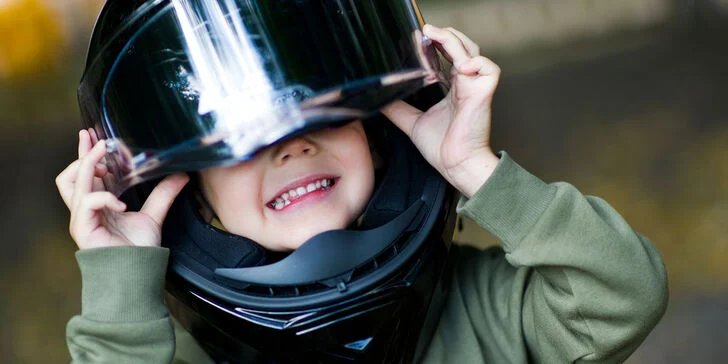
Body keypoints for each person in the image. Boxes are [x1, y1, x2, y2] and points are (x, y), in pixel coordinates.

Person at [57, 15, 668, 364]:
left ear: (378, 138)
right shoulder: (172, 356)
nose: (292, 147)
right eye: (239, 145)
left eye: (326, 115)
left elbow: (624, 293)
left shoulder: (491, 313)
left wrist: (477, 169)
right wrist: (120, 294)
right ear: (194, 196)